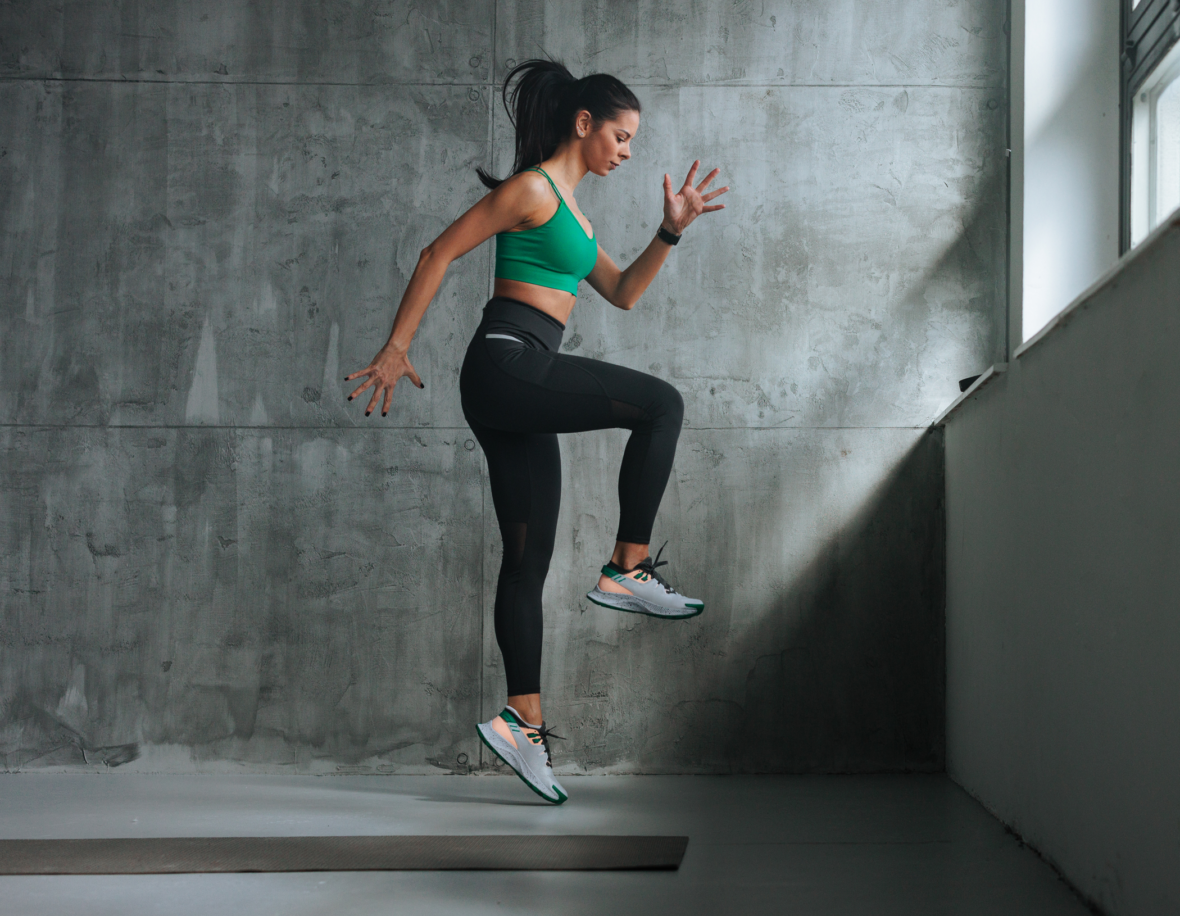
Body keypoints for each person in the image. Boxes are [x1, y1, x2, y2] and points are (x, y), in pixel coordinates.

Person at [346, 59, 728, 804]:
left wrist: (670, 231)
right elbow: (437, 252)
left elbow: (622, 293)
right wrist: (397, 346)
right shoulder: (531, 190)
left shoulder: (575, 217)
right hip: (507, 363)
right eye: (621, 136)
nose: (627, 151)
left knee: (527, 561)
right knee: (662, 405)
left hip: (517, 382)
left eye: (632, 141)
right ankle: (627, 567)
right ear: (584, 124)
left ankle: (521, 721)